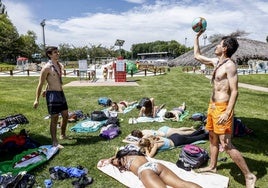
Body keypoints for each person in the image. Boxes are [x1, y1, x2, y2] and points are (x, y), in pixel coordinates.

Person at [194, 30, 256, 188]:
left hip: (223, 108)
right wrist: (196, 37)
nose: (216, 46)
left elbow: (235, 91)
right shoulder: (217, 62)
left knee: (226, 144)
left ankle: (249, 176)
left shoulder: (230, 66)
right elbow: (197, 56)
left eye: (219, 45)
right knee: (212, 138)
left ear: (225, 48)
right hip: (212, 106)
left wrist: (228, 112)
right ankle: (213, 166)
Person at [97, 144, 201, 188]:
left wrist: (111, 158)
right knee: (182, 184)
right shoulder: (137, 154)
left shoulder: (122, 160)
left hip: (145, 171)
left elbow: (111, 161)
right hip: (156, 165)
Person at [33, 46, 69, 149]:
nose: (57, 54)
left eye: (58, 52)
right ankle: (54, 142)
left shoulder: (59, 65)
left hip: (61, 93)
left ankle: (62, 134)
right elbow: (40, 84)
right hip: (52, 95)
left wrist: (46, 87)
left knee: (66, 115)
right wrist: (37, 99)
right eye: (55, 52)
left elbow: (53, 79)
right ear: (49, 54)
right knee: (54, 118)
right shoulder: (46, 68)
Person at [137, 128, 208, 157]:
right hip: (173, 136)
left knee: (193, 139)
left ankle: (206, 134)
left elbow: (150, 156)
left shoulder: (155, 145)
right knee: (189, 136)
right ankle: (200, 130)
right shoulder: (152, 138)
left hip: (176, 141)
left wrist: (146, 149)